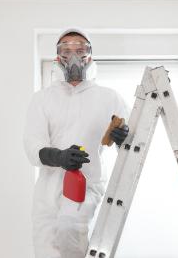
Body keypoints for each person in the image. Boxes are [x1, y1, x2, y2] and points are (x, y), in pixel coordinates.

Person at [23, 27, 131, 258]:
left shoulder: (108, 97)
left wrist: (124, 137)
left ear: (89, 57)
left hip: (86, 183)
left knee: (69, 226)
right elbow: (33, 146)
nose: (73, 56)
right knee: (46, 250)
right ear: (57, 57)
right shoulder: (42, 99)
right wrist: (59, 157)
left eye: (80, 50)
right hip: (47, 192)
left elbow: (132, 141)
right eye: (66, 50)